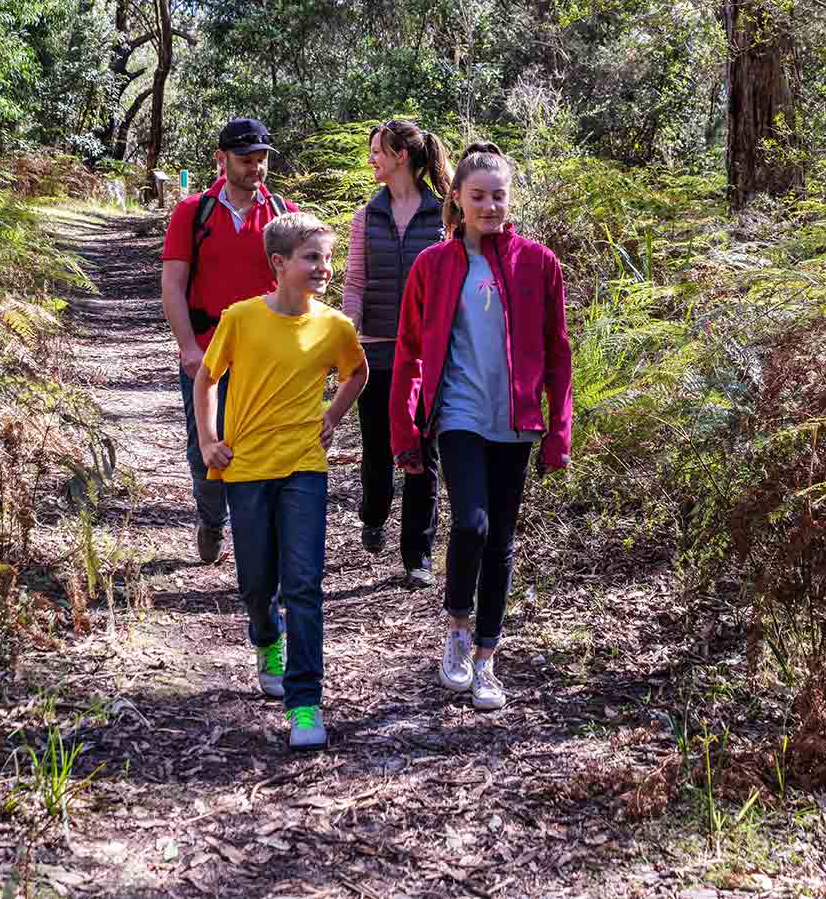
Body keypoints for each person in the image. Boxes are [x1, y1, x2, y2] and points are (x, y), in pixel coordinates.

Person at [389, 144, 572, 712]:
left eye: (498, 196)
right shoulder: (434, 265)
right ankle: (458, 631)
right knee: (471, 524)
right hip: (460, 416)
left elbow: (558, 351)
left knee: (501, 539)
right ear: (458, 200)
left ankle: (488, 657)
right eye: (478, 197)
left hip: (514, 421)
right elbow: (411, 351)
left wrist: (558, 429)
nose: (489, 206)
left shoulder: (539, 263)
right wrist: (405, 430)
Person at [192, 212, 367, 750]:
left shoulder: (335, 326)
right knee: (256, 581)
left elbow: (356, 372)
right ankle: (267, 638)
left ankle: (306, 702)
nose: (324, 267)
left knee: (304, 583)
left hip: (303, 469)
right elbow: (206, 378)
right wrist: (207, 440)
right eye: (312, 257)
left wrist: (333, 416)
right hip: (245, 468)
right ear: (279, 264)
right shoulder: (241, 319)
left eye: (328, 257)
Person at [161, 117, 297, 564]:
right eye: (245, 160)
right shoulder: (192, 212)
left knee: (261, 447)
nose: (254, 168)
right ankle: (211, 519)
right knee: (206, 444)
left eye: (260, 160)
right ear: (221, 160)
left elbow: (298, 288)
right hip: (208, 349)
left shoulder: (282, 214)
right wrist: (189, 349)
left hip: (267, 356)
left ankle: (256, 542)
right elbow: (173, 286)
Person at [340, 118, 450, 586]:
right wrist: (346, 339)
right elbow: (356, 284)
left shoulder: (443, 213)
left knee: (425, 451)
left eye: (377, 152)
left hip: (429, 354)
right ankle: (373, 512)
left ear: (400, 155)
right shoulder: (367, 216)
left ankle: (417, 556)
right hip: (378, 350)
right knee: (379, 446)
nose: (372, 160)